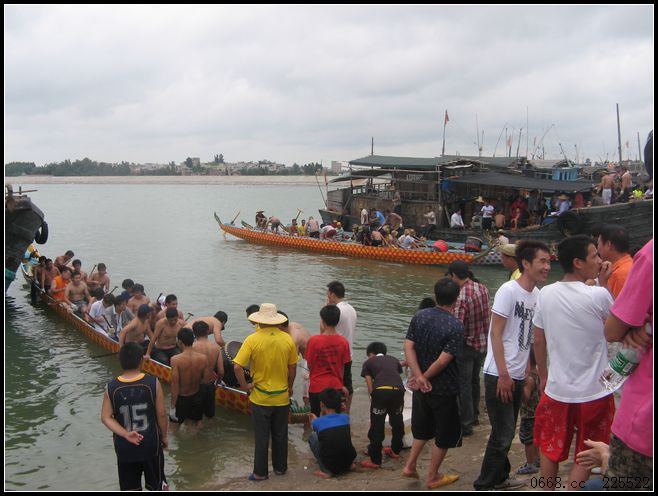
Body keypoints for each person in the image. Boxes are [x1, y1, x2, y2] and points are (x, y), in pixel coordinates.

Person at [532, 235, 615, 489]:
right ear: (578, 262)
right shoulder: (598, 295)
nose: (599, 260)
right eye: (594, 256)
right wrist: (604, 284)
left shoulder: (545, 294)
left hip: (557, 388)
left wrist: (543, 376)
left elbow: (538, 340)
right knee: (589, 449)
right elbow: (616, 329)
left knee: (550, 445)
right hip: (595, 390)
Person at [473, 240, 551, 490]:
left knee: (505, 431)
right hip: (499, 373)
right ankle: (485, 483)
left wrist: (527, 370)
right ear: (526, 263)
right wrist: (504, 374)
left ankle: (500, 477)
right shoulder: (508, 291)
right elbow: (495, 333)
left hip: (517, 373)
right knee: (503, 432)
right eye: (542, 261)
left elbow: (527, 336)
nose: (547, 266)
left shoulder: (537, 295)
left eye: (549, 261)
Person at [403, 278, 463, 489]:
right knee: (444, 434)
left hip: (420, 388)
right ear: (456, 299)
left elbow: (408, 347)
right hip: (443, 388)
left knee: (422, 428)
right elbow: (443, 361)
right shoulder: (455, 326)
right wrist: (425, 377)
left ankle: (410, 465)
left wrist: (419, 376)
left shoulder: (420, 316)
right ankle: (433, 475)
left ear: (435, 294)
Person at [603, 239, 653, 489]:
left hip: (644, 424)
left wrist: (643, 326)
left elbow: (612, 331)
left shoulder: (649, 256)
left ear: (607, 245)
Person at [233, 303, 297, 481]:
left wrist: (245, 386)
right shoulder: (287, 339)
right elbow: (292, 367)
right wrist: (290, 386)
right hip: (282, 397)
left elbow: (237, 367)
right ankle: (280, 469)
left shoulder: (252, 339)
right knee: (280, 435)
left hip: (260, 398)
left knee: (262, 436)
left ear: (259, 320)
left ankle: (260, 473)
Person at [101, 343, 168, 491]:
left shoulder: (111, 387)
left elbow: (105, 417)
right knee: (157, 486)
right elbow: (162, 414)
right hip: (151, 444)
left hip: (125, 448)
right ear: (141, 361)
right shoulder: (153, 383)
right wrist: (164, 436)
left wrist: (126, 434)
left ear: (120, 361)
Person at [446, 260, 490, 436]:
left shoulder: (461, 296)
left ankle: (465, 423)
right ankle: (474, 415)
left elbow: (457, 327)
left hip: (467, 345)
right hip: (483, 342)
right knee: (474, 380)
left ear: (454, 275)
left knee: (463, 384)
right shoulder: (482, 288)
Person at [360, 341, 405, 468]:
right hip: (398, 391)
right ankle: (396, 450)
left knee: (377, 425)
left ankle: (375, 460)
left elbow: (369, 381)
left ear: (371, 354)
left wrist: (372, 396)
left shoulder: (369, 362)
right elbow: (394, 375)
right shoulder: (394, 360)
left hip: (381, 392)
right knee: (397, 421)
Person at [305, 305, 351, 417]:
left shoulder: (314, 341)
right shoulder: (344, 342)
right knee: (334, 419)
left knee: (316, 417)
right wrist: (345, 385)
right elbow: (345, 366)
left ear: (323, 321)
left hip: (317, 386)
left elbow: (309, 364)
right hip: (335, 387)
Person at [307, 387, 357, 479]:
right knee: (339, 437)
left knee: (312, 437)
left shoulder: (317, 422)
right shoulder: (345, 417)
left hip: (331, 466)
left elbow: (319, 434)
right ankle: (350, 465)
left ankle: (325, 470)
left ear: (322, 404)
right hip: (349, 460)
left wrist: (313, 421)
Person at [326, 281, 357, 413]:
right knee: (348, 385)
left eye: (328, 294)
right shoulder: (351, 309)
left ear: (333, 294)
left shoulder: (336, 310)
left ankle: (334, 413)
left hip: (336, 355)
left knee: (334, 385)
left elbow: (325, 331)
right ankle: (346, 413)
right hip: (348, 353)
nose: (327, 296)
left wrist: (326, 309)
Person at [169, 328, 209, 428]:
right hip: (196, 396)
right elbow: (206, 380)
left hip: (182, 398)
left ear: (180, 342)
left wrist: (173, 406)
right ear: (193, 340)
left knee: (174, 427)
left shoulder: (175, 360)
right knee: (192, 427)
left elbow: (175, 384)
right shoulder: (203, 358)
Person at [192, 320, 223, 419]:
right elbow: (221, 371)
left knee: (195, 418)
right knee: (210, 416)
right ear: (207, 332)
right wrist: (217, 383)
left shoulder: (192, 347)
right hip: (210, 385)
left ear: (194, 333)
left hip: (196, 386)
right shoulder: (216, 347)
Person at [516, 351, 540, 475]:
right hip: (538, 413)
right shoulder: (539, 374)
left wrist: (519, 386)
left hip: (528, 414)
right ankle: (537, 459)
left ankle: (530, 464)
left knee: (528, 440)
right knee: (536, 438)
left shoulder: (529, 379)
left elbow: (526, 398)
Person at [597, 224, 633, 298]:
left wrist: (603, 283)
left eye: (598, 244)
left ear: (608, 245)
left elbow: (618, 304)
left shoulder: (619, 275)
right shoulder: (632, 264)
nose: (597, 249)